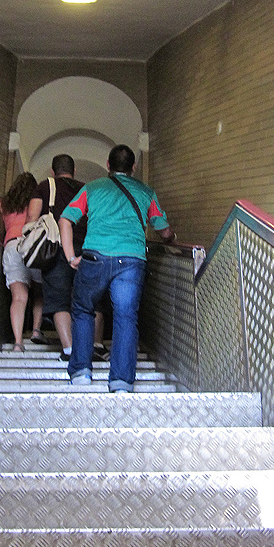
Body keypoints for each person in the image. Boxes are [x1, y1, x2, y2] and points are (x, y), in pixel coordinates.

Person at [59, 144, 175, 392]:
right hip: (131, 261)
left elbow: (66, 219)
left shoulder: (92, 188)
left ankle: (81, 372)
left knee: (82, 309)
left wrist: (71, 256)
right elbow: (162, 228)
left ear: (108, 166)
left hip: (95, 257)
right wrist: (170, 237)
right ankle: (121, 381)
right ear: (133, 167)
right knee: (126, 316)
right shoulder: (146, 192)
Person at [26, 154, 106, 363]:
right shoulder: (88, 188)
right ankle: (95, 345)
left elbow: (32, 217)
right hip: (88, 247)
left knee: (58, 299)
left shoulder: (45, 186)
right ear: (75, 170)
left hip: (57, 248)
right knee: (93, 298)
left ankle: (69, 349)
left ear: (53, 171)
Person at [0, 171, 44, 352]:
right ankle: (36, 331)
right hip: (32, 246)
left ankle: (18, 342)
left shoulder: (4, 204)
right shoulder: (36, 202)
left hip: (11, 247)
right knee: (40, 292)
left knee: (18, 298)